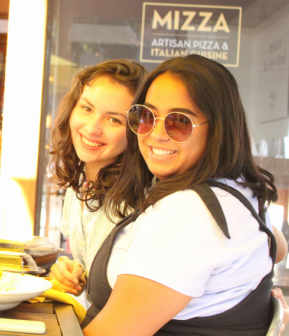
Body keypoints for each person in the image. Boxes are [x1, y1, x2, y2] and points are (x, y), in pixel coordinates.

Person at [82, 55, 287, 335]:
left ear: (217, 130)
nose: (155, 134)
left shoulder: (184, 216)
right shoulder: (238, 190)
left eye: (179, 122)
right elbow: (279, 247)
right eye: (146, 116)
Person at [47, 60, 147, 296]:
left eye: (114, 119)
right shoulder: (78, 184)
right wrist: (71, 272)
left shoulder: (140, 202)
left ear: (135, 130)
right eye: (87, 109)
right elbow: (89, 272)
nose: (92, 128)